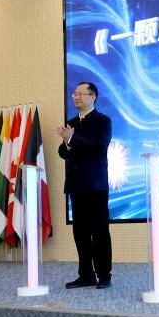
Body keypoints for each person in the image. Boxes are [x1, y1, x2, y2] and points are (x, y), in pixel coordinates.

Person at [57, 82, 114, 289]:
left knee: (99, 231)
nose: (76, 97)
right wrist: (67, 142)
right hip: (76, 184)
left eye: (81, 93)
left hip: (95, 184)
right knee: (80, 232)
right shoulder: (71, 123)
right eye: (75, 94)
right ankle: (86, 274)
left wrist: (72, 139)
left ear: (93, 97)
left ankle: (104, 274)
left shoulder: (103, 121)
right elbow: (63, 152)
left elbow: (99, 147)